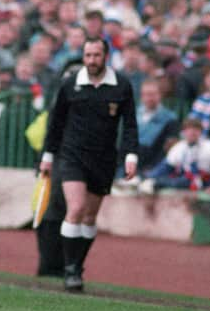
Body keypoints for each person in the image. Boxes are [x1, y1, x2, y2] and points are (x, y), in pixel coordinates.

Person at [39, 38, 138, 292]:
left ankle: (77, 265)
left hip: (103, 159)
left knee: (90, 216)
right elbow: (56, 123)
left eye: (96, 55)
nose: (91, 60)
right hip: (71, 155)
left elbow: (129, 125)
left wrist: (130, 156)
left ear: (106, 56)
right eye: (87, 55)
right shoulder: (70, 85)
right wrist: (48, 156)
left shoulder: (121, 86)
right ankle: (69, 269)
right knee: (76, 208)